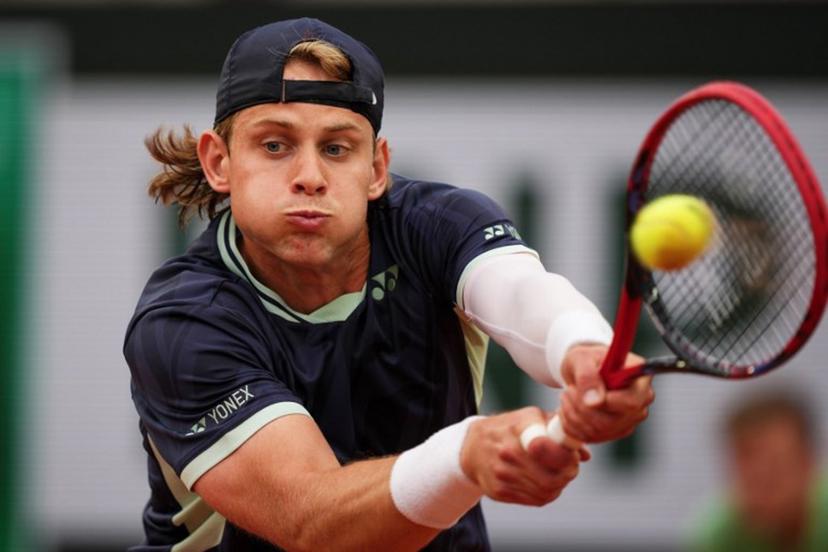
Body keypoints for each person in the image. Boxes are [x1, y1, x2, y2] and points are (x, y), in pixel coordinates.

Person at [124, 17, 654, 551]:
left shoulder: (437, 224)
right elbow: (313, 522)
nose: (310, 174)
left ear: (377, 168)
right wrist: (466, 456)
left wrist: (583, 350)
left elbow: (518, 292)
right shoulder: (182, 325)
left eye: (336, 149)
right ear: (219, 161)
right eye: (275, 145)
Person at [690, 391, 828, 551]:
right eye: (747, 471)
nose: (761, 486)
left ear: (808, 461)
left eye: (775, 467)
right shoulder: (718, 535)